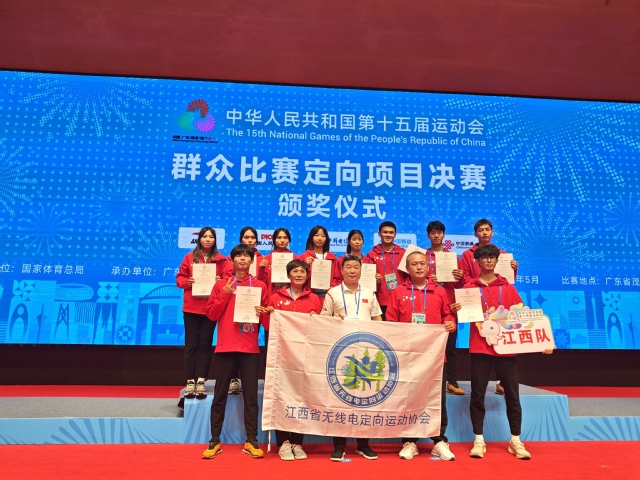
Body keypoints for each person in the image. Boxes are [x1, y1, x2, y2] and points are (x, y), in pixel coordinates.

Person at [450, 244, 553, 461]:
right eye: (484, 257)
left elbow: (524, 319)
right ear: (477, 262)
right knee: (477, 394)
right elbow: (461, 318)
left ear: (497, 261)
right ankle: (479, 439)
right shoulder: (469, 288)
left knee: (512, 395)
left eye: (492, 257)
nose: (488, 260)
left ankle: (515, 440)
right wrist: (456, 311)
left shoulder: (508, 288)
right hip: (480, 347)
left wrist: (542, 342)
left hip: (506, 349)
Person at [386, 251, 457, 461]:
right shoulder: (398, 292)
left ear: (428, 267)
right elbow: (391, 322)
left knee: (437, 399)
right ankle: (409, 441)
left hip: (434, 357)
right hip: (408, 356)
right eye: (414, 264)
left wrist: (450, 322)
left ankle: (439, 440)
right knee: (408, 398)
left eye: (422, 264)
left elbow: (447, 314)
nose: (419, 267)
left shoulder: (440, 291)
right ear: (407, 269)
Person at [202, 244, 270, 460]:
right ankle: (214, 440)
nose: (242, 259)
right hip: (225, 346)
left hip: (250, 348)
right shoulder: (221, 284)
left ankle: (251, 440)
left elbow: (267, 322)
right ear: (231, 261)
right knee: (219, 396)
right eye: (238, 256)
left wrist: (264, 313)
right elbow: (211, 315)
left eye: (246, 256)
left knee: (251, 398)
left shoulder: (259, 285)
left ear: (252, 261)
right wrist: (225, 294)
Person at [321, 255, 382, 461]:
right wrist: (333, 319)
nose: (353, 271)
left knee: (365, 398)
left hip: (366, 352)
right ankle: (339, 445)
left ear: (361, 270)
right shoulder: (332, 293)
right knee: (340, 399)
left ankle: (363, 444)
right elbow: (322, 320)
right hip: (340, 353)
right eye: (349, 267)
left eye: (356, 267)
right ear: (342, 270)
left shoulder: (369, 293)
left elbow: (378, 319)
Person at [265, 259, 322, 461]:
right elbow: (267, 326)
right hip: (282, 356)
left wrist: (317, 318)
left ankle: (298, 442)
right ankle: (283, 443)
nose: (299, 275)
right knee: (281, 397)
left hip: (305, 356)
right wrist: (268, 315)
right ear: (288, 275)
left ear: (307, 276)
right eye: (295, 271)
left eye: (302, 272)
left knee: (302, 398)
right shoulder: (275, 297)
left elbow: (320, 328)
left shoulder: (314, 299)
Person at [460, 219, 518, 395]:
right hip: (476, 301)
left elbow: (506, 281)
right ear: (475, 234)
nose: (484, 232)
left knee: (502, 345)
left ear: (492, 232)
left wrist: (514, 269)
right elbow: (465, 278)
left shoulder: (503, 254)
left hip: (499, 311)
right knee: (479, 383)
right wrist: (476, 288)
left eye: (487, 229)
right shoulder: (467, 255)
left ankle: (501, 382)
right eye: (481, 230)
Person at [176, 227, 228, 400]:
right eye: (204, 236)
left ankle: (201, 381)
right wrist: (188, 281)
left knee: (205, 344)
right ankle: (190, 381)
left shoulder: (221, 259)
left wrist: (220, 281)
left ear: (215, 240)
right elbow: (180, 279)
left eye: (211, 236)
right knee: (191, 345)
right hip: (191, 307)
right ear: (199, 239)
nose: (207, 239)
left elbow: (229, 279)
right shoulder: (189, 258)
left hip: (210, 307)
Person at [425, 220, 465, 396]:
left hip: (449, 306)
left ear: (443, 235)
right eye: (433, 233)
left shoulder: (452, 257)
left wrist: (460, 276)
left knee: (450, 348)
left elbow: (460, 284)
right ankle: (428, 381)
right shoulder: (422, 256)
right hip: (427, 306)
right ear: (428, 235)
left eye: (439, 232)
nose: (436, 236)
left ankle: (452, 382)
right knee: (427, 347)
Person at [224, 226, 264, 395]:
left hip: (253, 306)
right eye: (246, 237)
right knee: (232, 342)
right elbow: (228, 276)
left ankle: (248, 382)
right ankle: (233, 379)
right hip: (234, 304)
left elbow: (265, 282)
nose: (249, 240)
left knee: (249, 342)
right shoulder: (231, 258)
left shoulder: (263, 259)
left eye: (252, 237)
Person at [367, 221, 406, 320]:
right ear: (379, 234)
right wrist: (373, 278)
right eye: (385, 232)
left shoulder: (403, 253)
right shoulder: (372, 254)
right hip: (380, 300)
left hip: (401, 299)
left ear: (395, 235)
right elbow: (367, 278)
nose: (388, 235)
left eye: (391, 232)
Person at [300, 225, 340, 297]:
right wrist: (304, 265)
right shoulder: (304, 257)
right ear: (311, 237)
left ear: (326, 239)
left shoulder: (333, 258)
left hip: (328, 295)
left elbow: (337, 277)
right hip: (309, 295)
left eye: (323, 236)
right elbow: (298, 277)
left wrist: (333, 286)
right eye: (316, 235)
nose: (320, 238)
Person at [258, 227, 299, 297]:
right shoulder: (266, 259)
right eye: (279, 238)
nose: (282, 240)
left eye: (285, 238)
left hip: (291, 294)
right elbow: (262, 282)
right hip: (272, 294)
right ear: (274, 240)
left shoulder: (296, 258)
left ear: (289, 240)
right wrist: (261, 269)